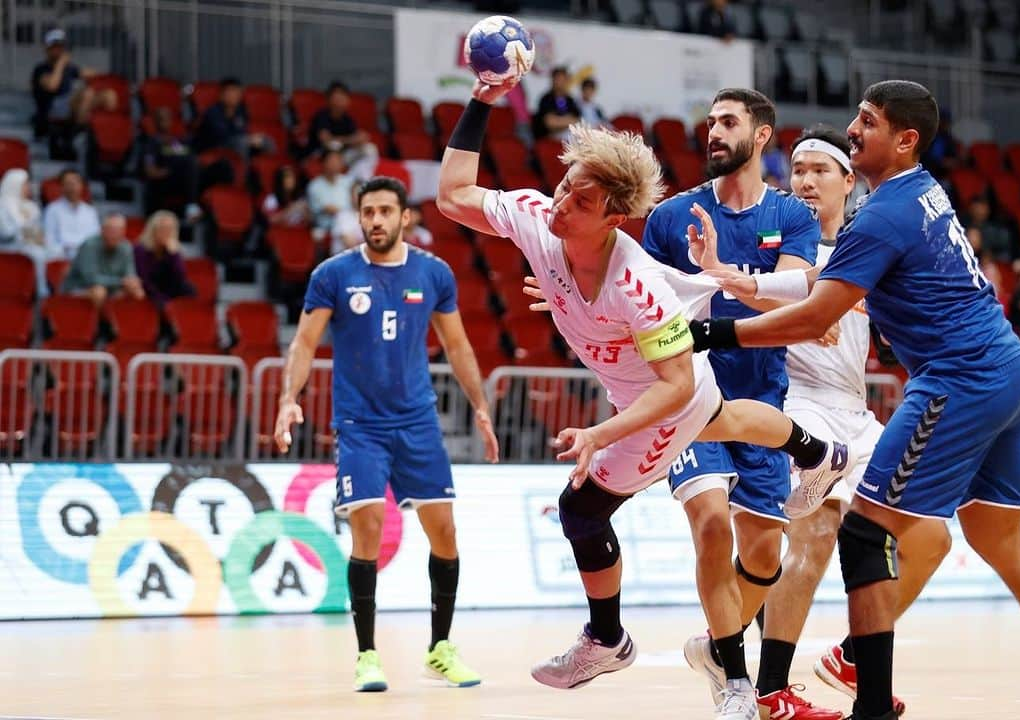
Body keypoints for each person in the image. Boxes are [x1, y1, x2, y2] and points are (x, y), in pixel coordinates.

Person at [438, 79, 852, 720]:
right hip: (678, 376)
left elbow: (688, 371)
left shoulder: (662, 273)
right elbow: (454, 195)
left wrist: (601, 433)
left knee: (654, 519)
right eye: (566, 182)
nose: (563, 199)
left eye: (583, 196)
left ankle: (624, 640)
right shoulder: (561, 218)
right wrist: (483, 100)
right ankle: (812, 456)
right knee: (712, 489)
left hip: (688, 388)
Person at [693, 80, 1020, 720]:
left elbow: (812, 310)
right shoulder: (921, 192)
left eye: (866, 123)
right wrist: (729, 278)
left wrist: (710, 329)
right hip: (1010, 369)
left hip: (959, 379)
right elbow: (815, 284)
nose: (852, 127)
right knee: (998, 537)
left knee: (866, 533)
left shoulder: (879, 218)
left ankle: (869, 704)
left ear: (904, 141)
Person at [713, 126, 924, 719]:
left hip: (855, 410)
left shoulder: (869, 245)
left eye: (819, 171)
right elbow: (735, 292)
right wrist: (800, 312)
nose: (804, 180)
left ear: (848, 181)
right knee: (812, 539)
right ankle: (769, 686)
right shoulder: (781, 242)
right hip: (797, 403)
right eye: (797, 170)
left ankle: (852, 655)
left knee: (928, 537)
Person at [273, 176, 499, 693]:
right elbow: (304, 343)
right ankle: (367, 655)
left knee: (444, 531)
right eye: (367, 212)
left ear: (405, 218)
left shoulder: (434, 273)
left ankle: (440, 648)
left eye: (384, 212)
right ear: (360, 218)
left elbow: (459, 346)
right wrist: (289, 398)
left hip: (418, 421)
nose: (375, 220)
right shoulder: (334, 274)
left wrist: (481, 406)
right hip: (360, 425)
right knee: (369, 527)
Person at [642, 88, 818, 713]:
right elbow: (638, 301)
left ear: (762, 135)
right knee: (712, 525)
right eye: (709, 122)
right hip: (691, 400)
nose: (713, 132)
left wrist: (720, 274)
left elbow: (795, 310)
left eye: (727, 122)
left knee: (766, 552)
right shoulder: (669, 218)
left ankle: (716, 647)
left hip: (764, 404)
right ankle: (738, 683)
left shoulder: (793, 216)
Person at [30, 28, 116, 135]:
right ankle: (80, 131)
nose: (59, 50)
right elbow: (52, 85)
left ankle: (106, 134)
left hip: (69, 106)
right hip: (52, 108)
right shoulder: (41, 69)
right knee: (86, 94)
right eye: (55, 47)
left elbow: (86, 73)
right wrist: (60, 64)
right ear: (47, 49)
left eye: (61, 47)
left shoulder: (69, 68)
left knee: (108, 96)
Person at [62, 213, 144, 307]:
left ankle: (123, 321)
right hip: (79, 287)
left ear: (123, 232)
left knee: (138, 292)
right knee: (99, 292)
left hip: (110, 287)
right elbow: (91, 278)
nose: (114, 234)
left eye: (118, 230)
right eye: (111, 230)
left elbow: (130, 274)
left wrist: (132, 283)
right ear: (102, 230)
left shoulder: (126, 247)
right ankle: (95, 321)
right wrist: (121, 282)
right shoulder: (90, 246)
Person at [142, 107, 201, 219]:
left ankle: (192, 205)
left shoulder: (175, 143)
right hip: (161, 183)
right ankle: (192, 205)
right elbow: (150, 171)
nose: (164, 122)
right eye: (161, 119)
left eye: (167, 119)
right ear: (155, 122)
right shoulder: (151, 143)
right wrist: (169, 171)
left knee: (194, 162)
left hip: (179, 181)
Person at [0, 168, 48, 297]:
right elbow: (5, 233)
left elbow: (36, 233)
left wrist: (28, 232)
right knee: (38, 254)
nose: (28, 187)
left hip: (28, 244)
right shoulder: (2, 206)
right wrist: (24, 225)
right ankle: (42, 291)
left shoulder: (31, 207)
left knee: (51, 252)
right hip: (7, 247)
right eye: (25, 184)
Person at [134, 210, 194, 308]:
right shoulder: (140, 249)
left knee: (189, 289)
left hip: (167, 291)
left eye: (170, 229)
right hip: (149, 290)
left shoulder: (172, 249)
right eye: (162, 228)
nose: (166, 232)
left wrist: (174, 255)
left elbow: (180, 278)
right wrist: (163, 299)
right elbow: (144, 280)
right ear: (153, 230)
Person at [308, 82, 373, 164]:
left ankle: (351, 176)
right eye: (337, 98)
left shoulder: (347, 119)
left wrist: (357, 139)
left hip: (343, 153)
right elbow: (326, 141)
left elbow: (357, 138)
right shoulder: (322, 116)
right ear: (329, 99)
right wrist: (350, 140)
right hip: (323, 154)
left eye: (343, 97)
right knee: (334, 146)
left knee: (370, 149)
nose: (340, 101)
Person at [42, 169, 100, 260]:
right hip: (62, 256)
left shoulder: (90, 211)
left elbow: (96, 238)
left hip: (87, 256)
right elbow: (49, 239)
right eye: (68, 184)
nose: (72, 187)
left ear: (82, 186)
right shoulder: (52, 210)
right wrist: (65, 250)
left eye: (75, 183)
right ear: (62, 187)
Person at [308, 149, 353, 231]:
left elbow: (356, 204)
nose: (335, 163)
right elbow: (328, 209)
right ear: (323, 163)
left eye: (338, 160)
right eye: (332, 160)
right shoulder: (315, 186)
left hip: (349, 226)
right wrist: (346, 213)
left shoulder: (348, 182)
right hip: (326, 228)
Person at [532, 66, 581, 141]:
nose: (561, 82)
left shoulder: (570, 100)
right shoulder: (546, 99)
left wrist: (559, 121)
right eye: (558, 79)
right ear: (553, 80)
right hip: (549, 141)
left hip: (569, 139)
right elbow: (550, 123)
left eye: (563, 79)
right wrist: (568, 121)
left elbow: (577, 120)